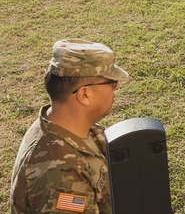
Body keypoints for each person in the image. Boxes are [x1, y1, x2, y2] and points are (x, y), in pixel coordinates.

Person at [10, 39, 129, 214]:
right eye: (111, 83)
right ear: (85, 94)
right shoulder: (61, 175)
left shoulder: (67, 125)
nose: (116, 87)